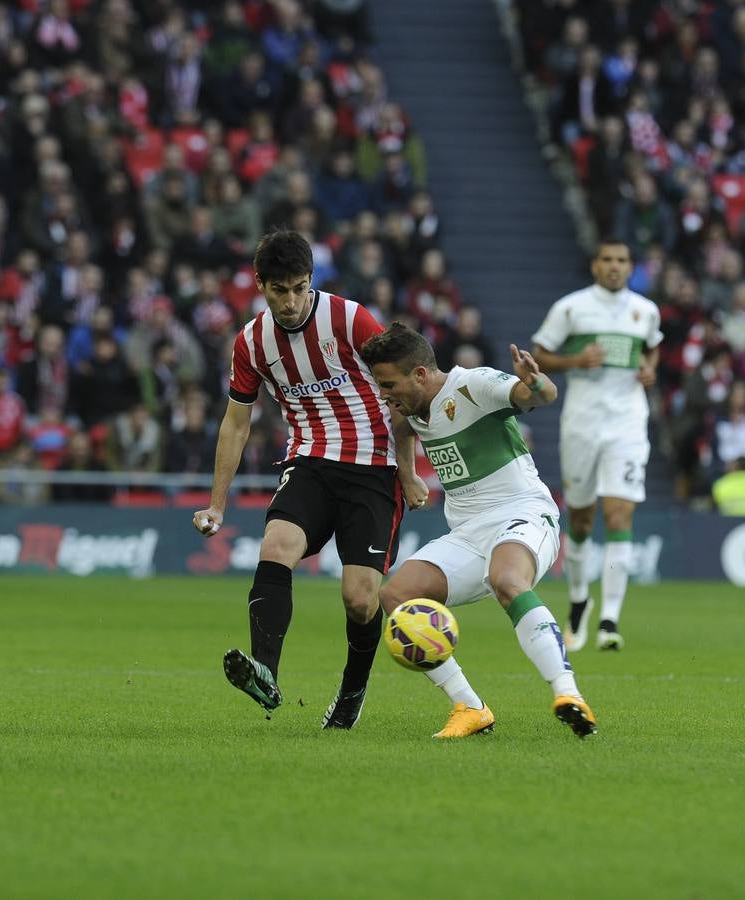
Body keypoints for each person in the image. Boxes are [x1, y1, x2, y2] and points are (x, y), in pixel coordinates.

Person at [192, 229, 427, 729]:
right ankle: (265, 673)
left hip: (374, 466)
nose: (292, 301)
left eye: (300, 287)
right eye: (280, 290)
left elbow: (404, 390)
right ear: (260, 285)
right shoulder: (252, 342)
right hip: (310, 461)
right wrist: (217, 504)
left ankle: (352, 693)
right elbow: (236, 422)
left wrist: (409, 471)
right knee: (276, 545)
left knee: (361, 598)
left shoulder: (349, 318)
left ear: (311, 280)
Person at [360, 323, 596, 739]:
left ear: (419, 374)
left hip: (521, 512)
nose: (384, 394)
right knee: (394, 595)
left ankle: (568, 694)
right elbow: (401, 427)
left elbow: (540, 396)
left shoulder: (474, 385)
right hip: (468, 533)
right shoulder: (409, 406)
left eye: (389, 384)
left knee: (507, 579)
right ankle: (469, 706)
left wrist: (535, 380)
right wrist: (409, 474)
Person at [532, 238, 662, 652]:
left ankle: (610, 620)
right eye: (607, 259)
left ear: (630, 267)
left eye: (622, 260)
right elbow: (539, 354)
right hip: (583, 423)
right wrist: (574, 362)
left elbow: (653, 348)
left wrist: (648, 372)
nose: (614, 266)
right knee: (583, 521)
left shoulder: (646, 310)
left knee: (619, 513)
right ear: (595, 266)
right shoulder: (571, 308)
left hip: (627, 422)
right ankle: (578, 600)